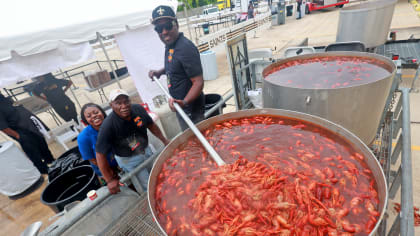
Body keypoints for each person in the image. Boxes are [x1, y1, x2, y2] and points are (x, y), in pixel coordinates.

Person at [95, 89, 169, 194]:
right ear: (111, 105)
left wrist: (164, 140)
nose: (124, 105)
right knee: (148, 186)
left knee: (159, 176)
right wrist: (109, 180)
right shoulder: (108, 125)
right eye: (118, 103)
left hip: (146, 150)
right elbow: (99, 154)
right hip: (129, 160)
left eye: (126, 101)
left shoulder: (138, 109)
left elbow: (151, 125)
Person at [148, 5, 205, 131]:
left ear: (176, 24)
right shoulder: (171, 45)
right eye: (159, 28)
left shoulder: (185, 48)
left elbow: (198, 82)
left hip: (191, 110)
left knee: (197, 143)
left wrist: (184, 102)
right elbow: (174, 66)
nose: (164, 32)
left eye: (167, 26)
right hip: (181, 107)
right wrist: (160, 72)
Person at [0, 93, 55, 174]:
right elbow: (3, 128)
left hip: (30, 126)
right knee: (33, 151)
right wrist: (18, 136)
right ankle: (44, 170)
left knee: (42, 143)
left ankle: (51, 160)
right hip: (20, 132)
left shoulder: (4, 100)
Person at [77, 103, 119, 180]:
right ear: (85, 121)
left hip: (122, 162)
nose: (93, 116)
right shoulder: (83, 137)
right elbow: (93, 160)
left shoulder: (113, 124)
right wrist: (110, 172)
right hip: (105, 171)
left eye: (96, 112)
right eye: (89, 116)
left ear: (102, 112)